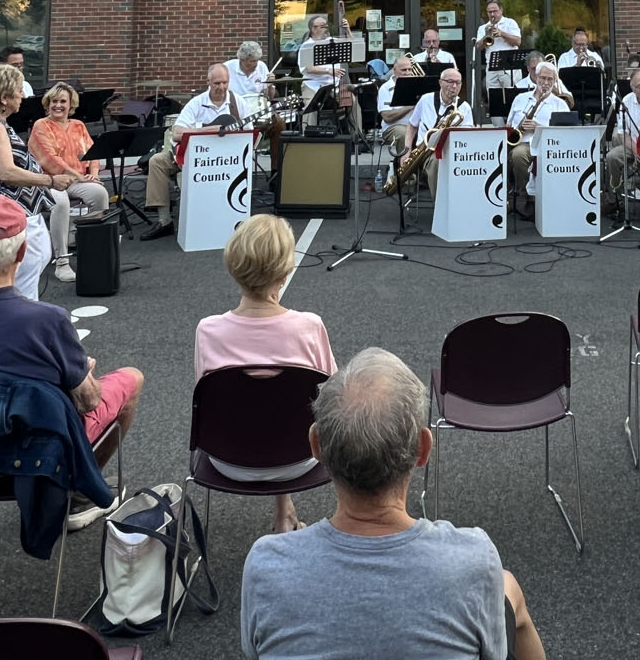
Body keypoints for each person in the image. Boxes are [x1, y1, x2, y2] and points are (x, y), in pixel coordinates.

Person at [240, 347, 545, 660]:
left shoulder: (266, 565)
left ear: (316, 445)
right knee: (508, 587)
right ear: (423, 449)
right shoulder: (474, 560)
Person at [0, 196, 143, 529]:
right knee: (131, 378)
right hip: (38, 459)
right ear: (22, 254)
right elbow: (88, 401)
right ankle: (79, 498)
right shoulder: (48, 320)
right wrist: (85, 374)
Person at [195, 215, 336, 534]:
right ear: (287, 271)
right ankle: (287, 513)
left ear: (232, 267)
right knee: (290, 409)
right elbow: (332, 398)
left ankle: (284, 512)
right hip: (300, 457)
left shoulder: (208, 330)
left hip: (227, 458)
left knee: (260, 406)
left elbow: (211, 400)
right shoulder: (309, 327)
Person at [0, 63, 77, 294]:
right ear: (4, 98)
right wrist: (50, 180)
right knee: (22, 279)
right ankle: (20, 320)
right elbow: (6, 173)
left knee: (30, 268)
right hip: (7, 214)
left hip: (20, 211)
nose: (23, 95)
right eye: (18, 90)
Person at [141, 62, 241, 241]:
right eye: (217, 83)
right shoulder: (197, 103)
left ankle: (233, 216)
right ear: (208, 82)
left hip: (225, 160)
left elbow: (248, 133)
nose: (222, 87)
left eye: (225, 82)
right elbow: (177, 132)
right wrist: (207, 131)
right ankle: (164, 221)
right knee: (157, 161)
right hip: (193, 156)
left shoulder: (236, 102)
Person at [27, 83, 111, 263]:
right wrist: (79, 176)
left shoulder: (78, 125)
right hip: (49, 180)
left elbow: (92, 152)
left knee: (100, 194)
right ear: (47, 104)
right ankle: (61, 260)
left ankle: (79, 237)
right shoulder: (41, 125)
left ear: (71, 104)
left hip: (76, 180)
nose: (58, 105)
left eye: (63, 101)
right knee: (61, 202)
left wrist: (94, 174)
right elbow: (50, 158)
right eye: (54, 101)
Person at [402, 67, 473, 202]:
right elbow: (412, 125)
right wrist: (407, 150)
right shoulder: (426, 100)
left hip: (454, 152)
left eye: (458, 83)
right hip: (425, 153)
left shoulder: (464, 107)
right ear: (440, 83)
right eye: (450, 82)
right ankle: (441, 205)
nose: (454, 86)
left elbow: (467, 137)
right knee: (437, 160)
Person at [505, 61, 559, 219]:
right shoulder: (520, 99)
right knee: (517, 155)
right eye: (543, 78)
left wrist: (538, 127)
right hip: (523, 143)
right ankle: (529, 198)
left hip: (548, 145)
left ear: (555, 81)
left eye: (550, 79)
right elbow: (508, 124)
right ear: (536, 77)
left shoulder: (559, 103)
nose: (546, 83)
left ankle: (549, 199)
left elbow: (564, 133)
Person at [605, 67, 640, 205]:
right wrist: (636, 150)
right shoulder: (626, 101)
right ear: (633, 89)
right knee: (611, 157)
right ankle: (615, 199)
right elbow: (622, 132)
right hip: (634, 145)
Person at [474, 0, 521, 125]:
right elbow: (478, 47)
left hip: (509, 67)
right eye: (489, 12)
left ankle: (513, 125)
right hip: (492, 67)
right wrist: (486, 35)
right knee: (494, 99)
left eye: (494, 11)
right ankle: (499, 128)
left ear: (501, 10)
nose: (492, 14)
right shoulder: (483, 27)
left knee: (512, 97)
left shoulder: (510, 23)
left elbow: (517, 41)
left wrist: (502, 34)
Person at [378, 53, 423, 156]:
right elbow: (387, 117)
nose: (407, 73)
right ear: (394, 70)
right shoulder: (385, 88)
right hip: (394, 127)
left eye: (409, 70)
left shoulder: (418, 85)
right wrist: (409, 107)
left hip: (416, 125)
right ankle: (405, 167)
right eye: (403, 70)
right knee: (405, 134)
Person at [296, 14, 343, 103]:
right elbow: (309, 68)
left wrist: (347, 30)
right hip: (312, 84)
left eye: (326, 25)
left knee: (351, 100)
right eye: (322, 26)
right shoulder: (307, 46)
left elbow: (354, 44)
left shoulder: (332, 41)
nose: (326, 28)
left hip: (333, 85)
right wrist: (328, 71)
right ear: (313, 29)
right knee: (310, 108)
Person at [226, 40, 273, 106]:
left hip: (257, 107)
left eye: (257, 60)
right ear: (242, 59)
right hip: (234, 107)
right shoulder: (227, 68)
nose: (256, 64)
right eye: (252, 61)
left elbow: (269, 98)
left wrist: (270, 85)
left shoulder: (261, 66)